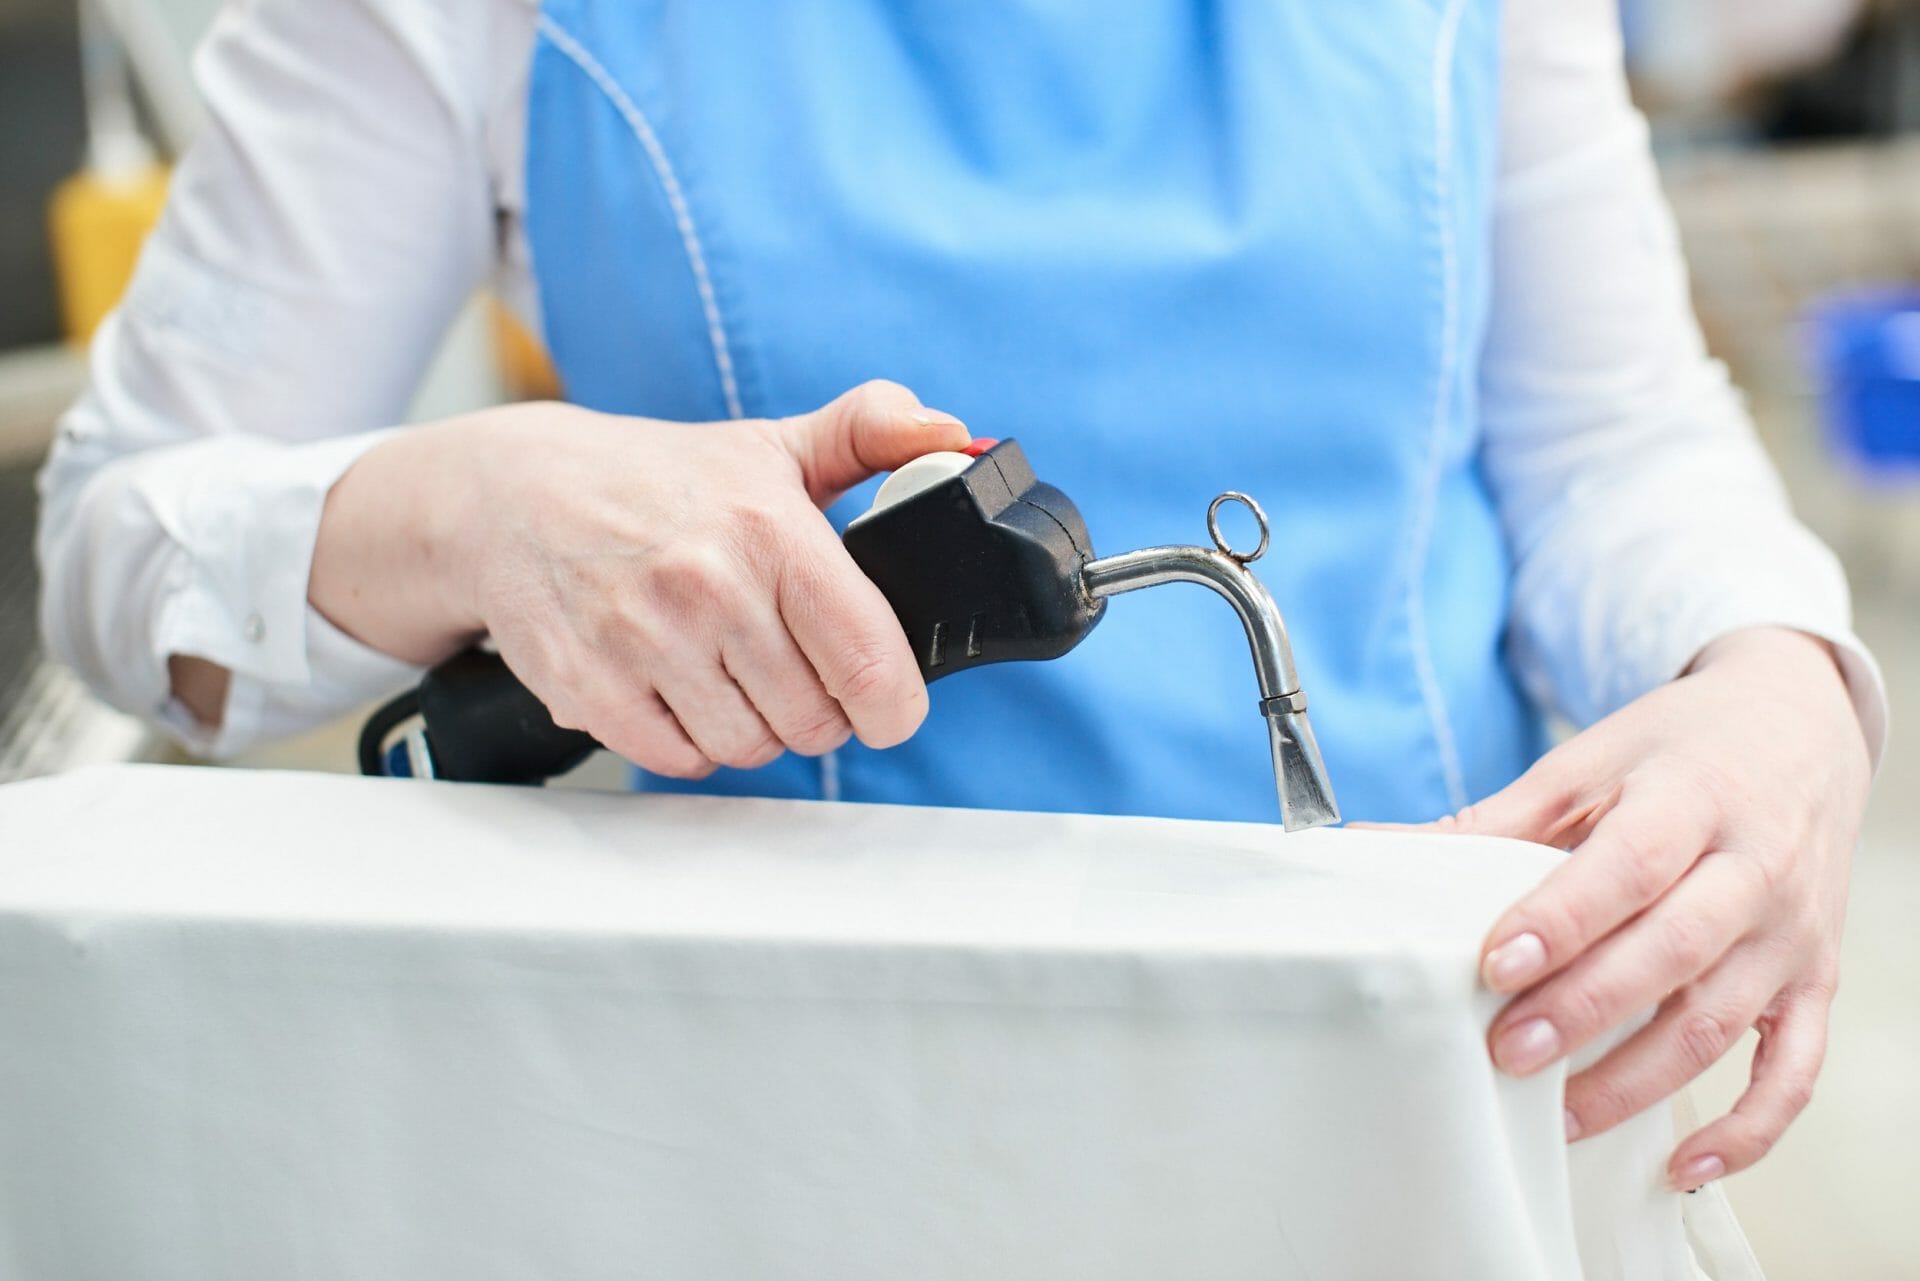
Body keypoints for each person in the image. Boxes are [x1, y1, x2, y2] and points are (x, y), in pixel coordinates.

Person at [35, 0, 1885, 1203]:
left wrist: (1776, 670)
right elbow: (126, 556)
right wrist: (472, 506)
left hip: (1437, 1083)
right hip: (787, 1131)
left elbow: (1611, 440)